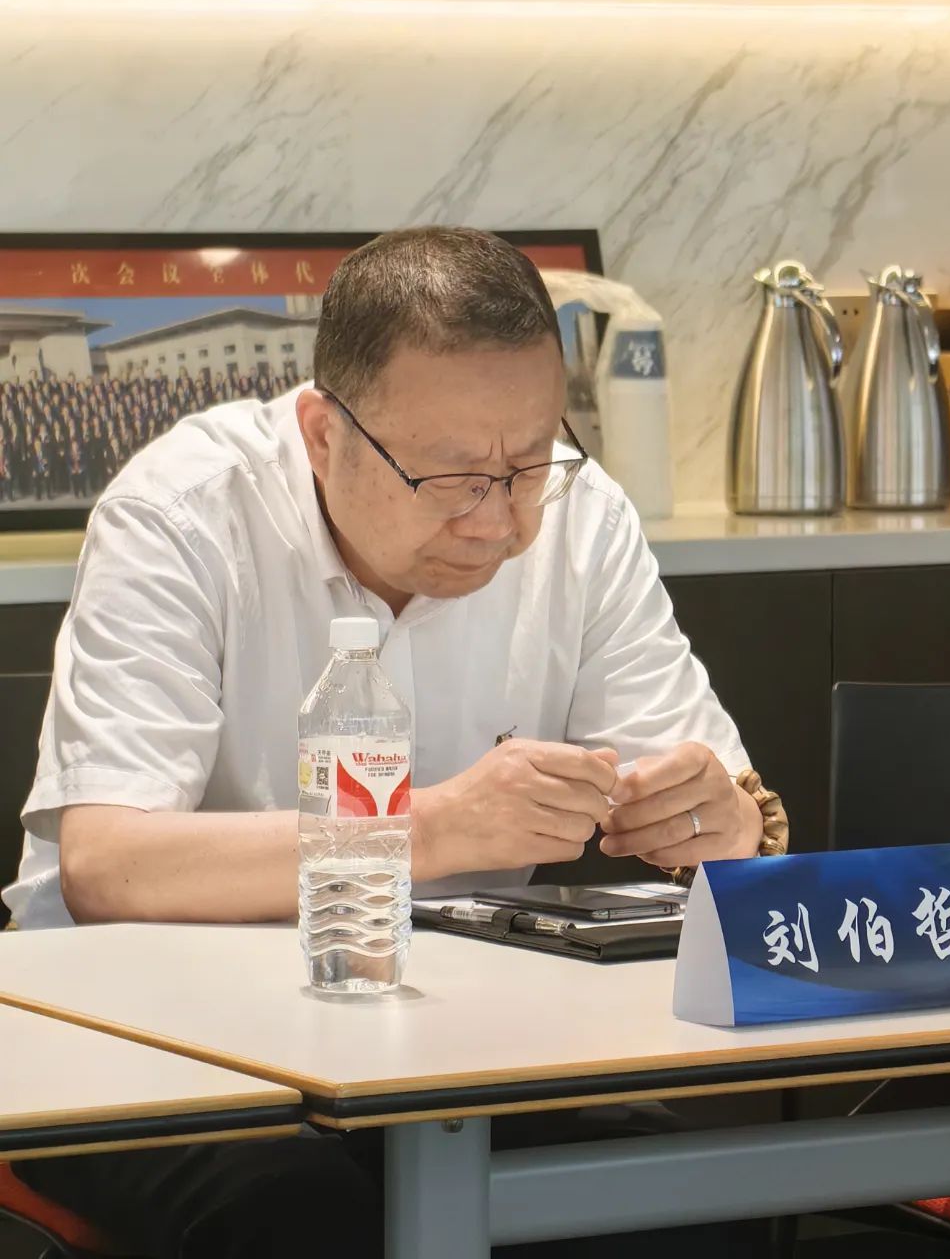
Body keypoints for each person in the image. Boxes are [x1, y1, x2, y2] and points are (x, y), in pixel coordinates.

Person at [6, 228, 764, 1258]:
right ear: (324, 434)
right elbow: (108, 866)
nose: (499, 521)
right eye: (451, 477)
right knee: (304, 1220)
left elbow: (730, 804)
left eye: (528, 464)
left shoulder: (583, 520)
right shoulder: (182, 515)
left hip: (456, 1037)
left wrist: (719, 820)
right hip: (141, 1041)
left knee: (685, 1204)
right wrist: (430, 828)